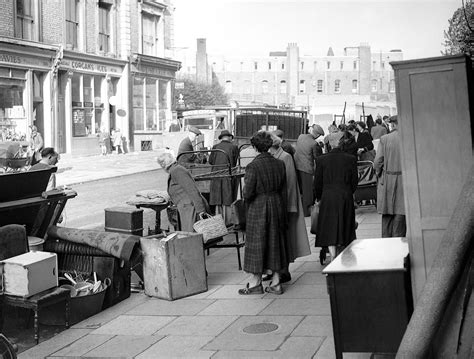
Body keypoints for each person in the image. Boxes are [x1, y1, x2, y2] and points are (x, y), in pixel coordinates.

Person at [239, 131, 288, 295]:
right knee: (275, 242)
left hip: (259, 206)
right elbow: (283, 189)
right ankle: (276, 283)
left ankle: (255, 284)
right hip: (276, 204)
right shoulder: (279, 164)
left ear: (254, 147)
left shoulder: (253, 166)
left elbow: (247, 193)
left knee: (257, 244)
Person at [267, 132, 310, 283]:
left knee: (285, 239)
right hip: (277, 203)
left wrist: (290, 206)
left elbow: (291, 183)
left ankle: (283, 270)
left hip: (285, 203)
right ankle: (275, 270)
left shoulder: (285, 157)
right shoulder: (276, 157)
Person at [314, 135, 358, 262]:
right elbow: (354, 181)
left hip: (328, 196)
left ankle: (333, 256)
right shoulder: (351, 159)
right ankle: (345, 254)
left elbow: (317, 182)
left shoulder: (321, 159)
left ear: (330, 144)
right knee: (346, 225)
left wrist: (319, 197)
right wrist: (349, 192)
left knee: (329, 228)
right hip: (345, 194)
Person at [156, 152, 209, 232]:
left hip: (190, 208)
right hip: (186, 208)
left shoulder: (177, 171)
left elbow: (193, 190)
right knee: (189, 236)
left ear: (164, 165)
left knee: (192, 236)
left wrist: (201, 211)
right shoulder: (175, 170)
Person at [373, 115, 406, 237]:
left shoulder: (384, 139)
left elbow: (378, 162)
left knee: (387, 213)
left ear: (392, 125)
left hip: (387, 178)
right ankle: (399, 240)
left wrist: (378, 173)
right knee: (401, 214)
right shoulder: (408, 138)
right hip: (404, 179)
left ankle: (386, 241)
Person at [208, 130, 239, 224]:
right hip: (228, 175)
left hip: (216, 175)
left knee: (218, 199)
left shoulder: (215, 147)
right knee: (228, 198)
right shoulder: (233, 147)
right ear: (229, 137)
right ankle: (228, 221)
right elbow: (235, 162)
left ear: (221, 138)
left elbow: (211, 161)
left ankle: (219, 221)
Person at [294, 124, 324, 216]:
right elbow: (317, 158)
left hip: (297, 166)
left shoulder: (301, 137)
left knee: (301, 190)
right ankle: (307, 211)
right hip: (307, 169)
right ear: (317, 135)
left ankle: (300, 210)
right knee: (308, 191)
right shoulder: (314, 143)